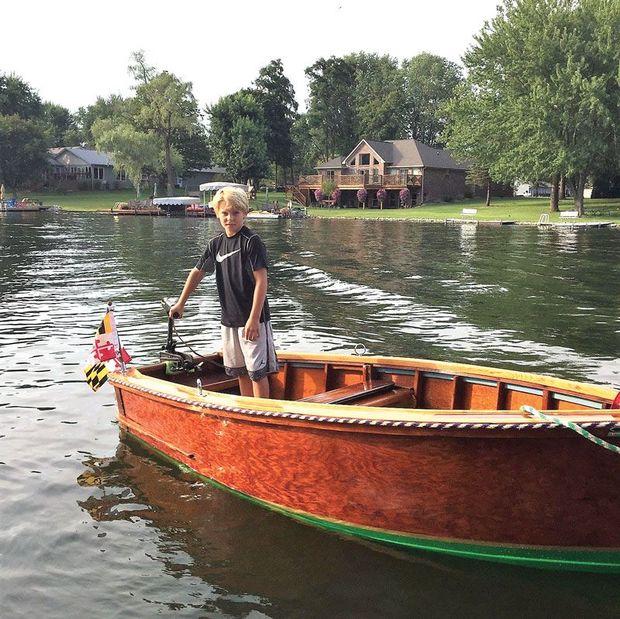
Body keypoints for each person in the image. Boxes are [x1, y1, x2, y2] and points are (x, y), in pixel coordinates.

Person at [169, 187, 278, 398]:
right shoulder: (215, 244)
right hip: (229, 320)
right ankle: (247, 411)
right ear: (217, 214)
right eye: (225, 213)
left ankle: (260, 416)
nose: (230, 218)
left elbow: (261, 280)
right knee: (241, 372)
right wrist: (180, 303)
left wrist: (254, 319)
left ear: (244, 214)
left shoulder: (251, 242)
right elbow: (197, 272)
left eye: (235, 213)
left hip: (253, 321)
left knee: (257, 373)